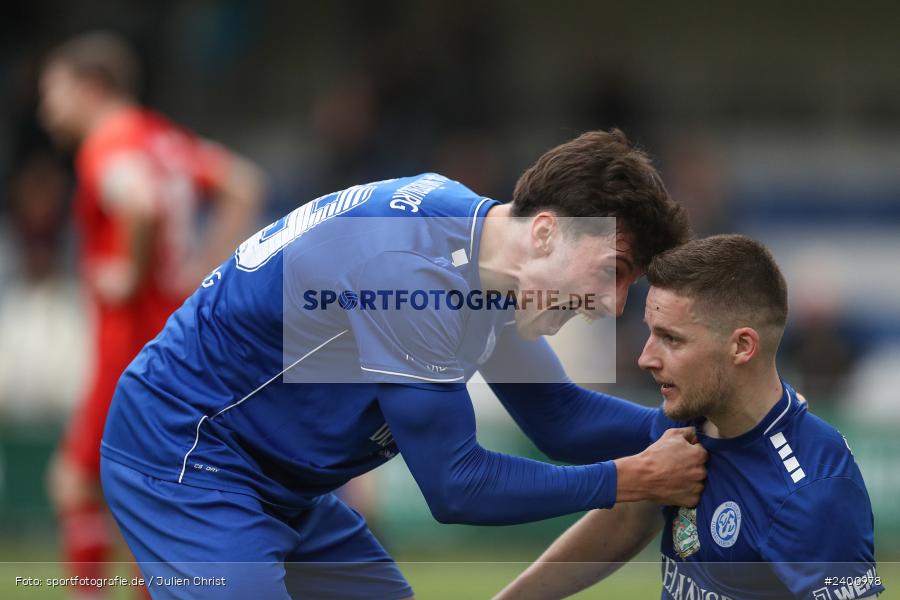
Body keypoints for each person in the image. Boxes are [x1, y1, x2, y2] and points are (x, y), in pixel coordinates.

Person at [100, 129, 706, 599]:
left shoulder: (487, 257)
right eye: (612, 272)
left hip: (275, 482)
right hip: (187, 458)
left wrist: (705, 426)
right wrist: (632, 478)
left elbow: (557, 416)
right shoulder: (416, 277)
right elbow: (456, 486)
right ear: (546, 233)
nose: (614, 304)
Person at [495, 235, 883, 600]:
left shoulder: (812, 493)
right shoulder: (684, 420)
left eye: (672, 339)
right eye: (650, 333)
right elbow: (629, 518)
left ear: (741, 346)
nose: (646, 358)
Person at [37, 31, 265, 597]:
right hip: (178, 343)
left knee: (74, 483)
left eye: (54, 92)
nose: (46, 109)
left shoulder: (107, 142)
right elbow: (243, 184)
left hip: (129, 344)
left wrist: (129, 273)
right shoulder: (164, 139)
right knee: (147, 492)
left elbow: (135, 202)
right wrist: (202, 272)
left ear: (90, 87)